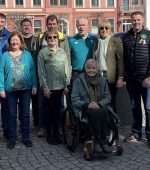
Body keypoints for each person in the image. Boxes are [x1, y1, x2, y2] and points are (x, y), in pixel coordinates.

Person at [0, 31, 37, 149]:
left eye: (17, 39)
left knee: (25, 114)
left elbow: (32, 71)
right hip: (10, 89)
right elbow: (1, 72)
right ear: (10, 42)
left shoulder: (27, 55)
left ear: (21, 41)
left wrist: (35, 85)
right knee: (11, 114)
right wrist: (1, 88)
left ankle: (26, 138)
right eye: (13, 40)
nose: (15, 42)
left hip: (25, 89)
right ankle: (12, 138)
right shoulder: (5, 55)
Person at [71, 59, 117, 153]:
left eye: (93, 68)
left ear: (97, 69)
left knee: (104, 111)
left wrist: (99, 104)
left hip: (100, 106)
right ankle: (97, 140)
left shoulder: (103, 80)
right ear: (85, 69)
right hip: (84, 108)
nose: (91, 70)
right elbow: (74, 98)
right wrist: (87, 104)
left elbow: (107, 96)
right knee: (95, 113)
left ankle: (104, 140)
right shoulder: (79, 80)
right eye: (88, 68)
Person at [36, 15, 71, 137]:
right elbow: (39, 61)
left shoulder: (63, 39)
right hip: (46, 79)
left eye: (54, 24)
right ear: (47, 25)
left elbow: (67, 59)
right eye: (49, 24)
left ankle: (59, 127)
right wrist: (43, 83)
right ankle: (43, 126)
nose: (52, 26)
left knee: (60, 105)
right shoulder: (40, 38)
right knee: (43, 104)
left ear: (57, 24)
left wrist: (67, 82)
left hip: (59, 81)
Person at [122, 11, 150, 146]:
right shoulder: (126, 37)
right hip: (131, 80)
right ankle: (136, 133)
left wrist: (149, 76)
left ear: (142, 20)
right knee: (135, 107)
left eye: (138, 20)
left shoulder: (148, 35)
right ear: (131, 21)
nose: (136, 22)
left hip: (146, 80)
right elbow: (123, 59)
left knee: (149, 108)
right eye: (133, 20)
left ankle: (149, 136)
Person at [94, 19, 124, 111]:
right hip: (99, 77)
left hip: (111, 77)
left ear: (109, 29)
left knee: (111, 101)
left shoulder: (115, 41)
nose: (104, 30)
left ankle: (112, 123)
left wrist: (120, 78)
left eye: (106, 28)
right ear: (99, 30)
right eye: (101, 28)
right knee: (100, 102)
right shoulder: (96, 42)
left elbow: (120, 60)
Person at [20, 18, 39, 127]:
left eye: (28, 25)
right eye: (24, 25)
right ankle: (23, 124)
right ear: (21, 27)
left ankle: (37, 123)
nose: (26, 27)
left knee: (36, 101)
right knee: (23, 103)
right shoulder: (18, 40)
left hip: (35, 73)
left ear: (31, 27)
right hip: (22, 75)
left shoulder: (37, 40)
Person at [0, 13, 11, 139]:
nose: (0, 23)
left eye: (2, 21)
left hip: (5, 74)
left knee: (6, 105)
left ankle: (6, 129)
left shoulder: (10, 36)